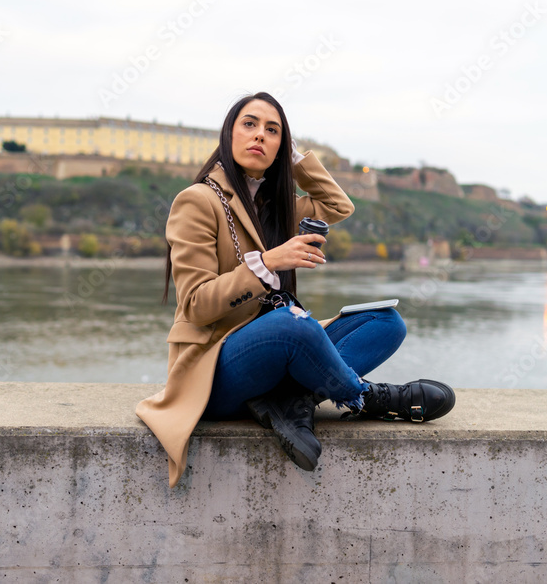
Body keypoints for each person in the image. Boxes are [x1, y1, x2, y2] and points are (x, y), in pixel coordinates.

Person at [136, 92, 455, 487]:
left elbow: (339, 206)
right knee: (292, 324)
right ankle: (366, 397)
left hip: (280, 345)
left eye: (273, 131)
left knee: (386, 322)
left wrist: (296, 160)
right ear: (228, 135)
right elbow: (197, 305)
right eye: (249, 125)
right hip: (217, 371)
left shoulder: (281, 206)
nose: (260, 136)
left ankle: (294, 400)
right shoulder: (197, 200)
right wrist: (267, 263)